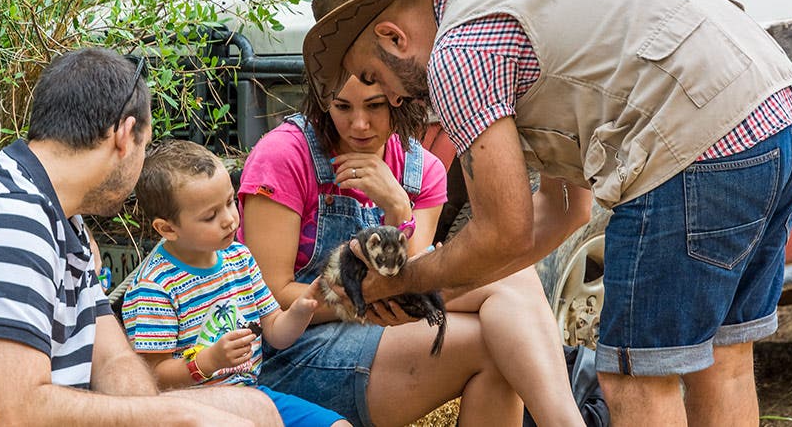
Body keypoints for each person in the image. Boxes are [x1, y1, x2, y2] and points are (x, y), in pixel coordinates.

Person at [301, 0, 792, 426]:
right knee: (724, 359)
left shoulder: (458, 55)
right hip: (779, 115)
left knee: (637, 378)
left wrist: (400, 282)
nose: (388, 96)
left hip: (696, 141)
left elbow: (501, 233)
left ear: (394, 37)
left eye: (373, 76)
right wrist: (436, 288)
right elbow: (566, 209)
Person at [0, 47, 280, 427]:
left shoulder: (64, 214)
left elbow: (112, 359)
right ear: (124, 135)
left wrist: (159, 416)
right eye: (145, 146)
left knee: (255, 408)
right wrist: (176, 414)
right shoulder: (7, 218)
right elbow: (19, 411)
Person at [239, 74, 581, 426]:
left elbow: (408, 286)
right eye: (342, 107)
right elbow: (272, 298)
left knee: (507, 318)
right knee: (502, 321)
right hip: (287, 350)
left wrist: (399, 208)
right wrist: (365, 298)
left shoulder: (422, 170)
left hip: (373, 330)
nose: (358, 124)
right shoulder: (285, 155)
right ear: (324, 103)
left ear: (399, 100)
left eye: (374, 106)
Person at [122, 139, 350, 427]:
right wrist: (207, 362)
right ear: (167, 228)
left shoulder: (238, 256)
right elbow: (152, 375)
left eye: (230, 202)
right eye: (210, 216)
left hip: (252, 394)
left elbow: (276, 332)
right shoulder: (154, 287)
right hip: (191, 408)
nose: (230, 220)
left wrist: (303, 308)